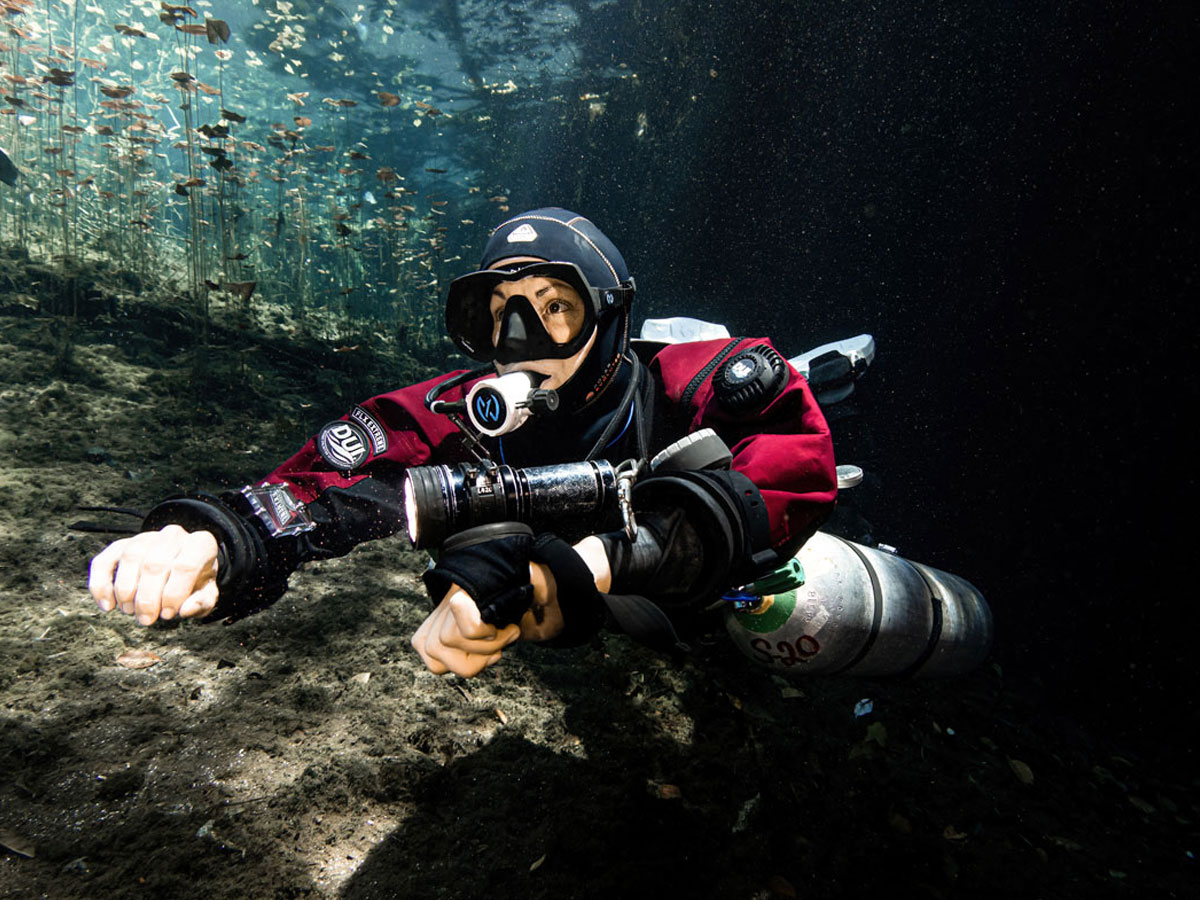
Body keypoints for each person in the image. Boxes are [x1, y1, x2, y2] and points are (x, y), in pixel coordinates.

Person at [88, 208, 838, 678]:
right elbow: (345, 471)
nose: (520, 342)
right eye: (500, 313)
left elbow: (790, 454)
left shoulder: (681, 376)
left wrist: (607, 561)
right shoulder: (464, 409)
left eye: (554, 307)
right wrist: (230, 534)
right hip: (577, 592)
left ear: (608, 318)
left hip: (699, 589)